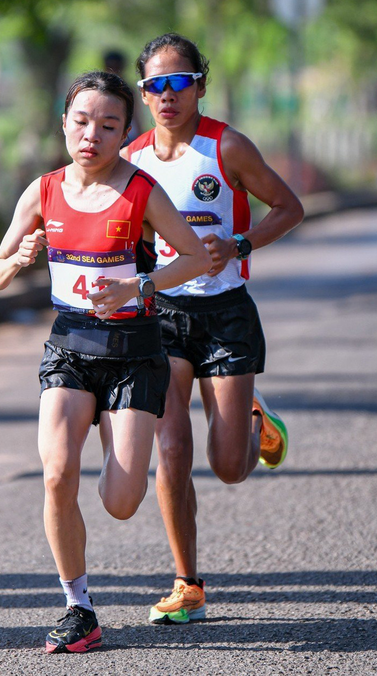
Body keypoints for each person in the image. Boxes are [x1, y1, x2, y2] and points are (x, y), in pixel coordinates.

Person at [0, 70, 208, 653]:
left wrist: (140, 287)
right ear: (64, 124)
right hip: (70, 350)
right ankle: (78, 607)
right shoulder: (43, 191)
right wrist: (18, 259)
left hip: (135, 354)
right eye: (82, 122)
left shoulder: (141, 192)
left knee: (120, 502)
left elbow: (194, 257)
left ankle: (119, 436)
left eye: (108, 125)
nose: (92, 135)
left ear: (124, 132)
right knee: (57, 473)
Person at [122, 33, 304, 624]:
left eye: (179, 82)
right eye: (155, 85)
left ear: (201, 83)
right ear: (144, 93)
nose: (167, 94)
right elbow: (107, 223)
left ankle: (254, 419)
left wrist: (240, 244)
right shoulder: (133, 160)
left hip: (225, 313)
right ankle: (187, 584)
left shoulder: (227, 147)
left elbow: (289, 207)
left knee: (228, 466)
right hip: (165, 317)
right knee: (170, 447)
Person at [104, 48, 145, 142]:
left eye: (116, 68)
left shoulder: (128, 89)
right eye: (111, 67)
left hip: (128, 137)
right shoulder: (99, 89)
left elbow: (136, 114)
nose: (113, 71)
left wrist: (140, 137)